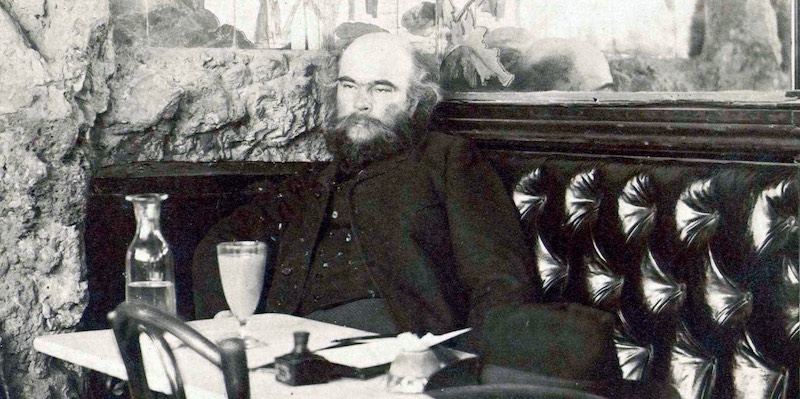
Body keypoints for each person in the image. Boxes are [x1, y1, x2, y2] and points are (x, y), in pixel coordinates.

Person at [193, 33, 540, 348]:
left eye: (381, 89)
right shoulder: (313, 182)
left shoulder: (447, 160)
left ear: (414, 101)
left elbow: (499, 279)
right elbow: (223, 241)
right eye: (349, 86)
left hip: (396, 344)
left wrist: (469, 367)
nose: (361, 103)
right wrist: (227, 318)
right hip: (290, 344)